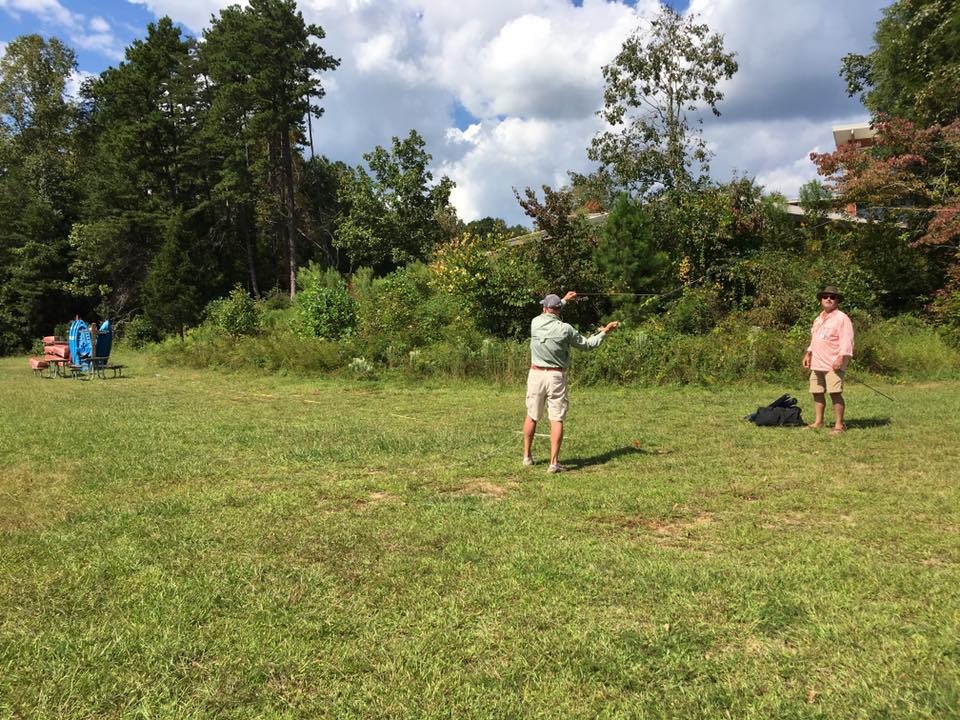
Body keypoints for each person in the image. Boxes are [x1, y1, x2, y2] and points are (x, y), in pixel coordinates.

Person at [522, 291, 619, 472]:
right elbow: (588, 345)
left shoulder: (535, 322)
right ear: (558, 310)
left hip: (535, 374)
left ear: (545, 308)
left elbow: (550, 311)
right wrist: (605, 331)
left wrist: (564, 301)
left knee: (532, 416)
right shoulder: (565, 328)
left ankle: (527, 457)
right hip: (556, 377)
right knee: (556, 418)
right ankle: (553, 463)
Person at [802, 286, 854, 436]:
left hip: (833, 364)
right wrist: (808, 353)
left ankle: (839, 425)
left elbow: (847, 340)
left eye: (832, 297)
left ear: (837, 300)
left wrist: (841, 358)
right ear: (821, 300)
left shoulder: (842, 318)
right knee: (817, 392)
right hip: (817, 362)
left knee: (834, 393)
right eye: (825, 297)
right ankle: (818, 422)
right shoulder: (818, 319)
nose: (828, 299)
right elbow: (815, 339)